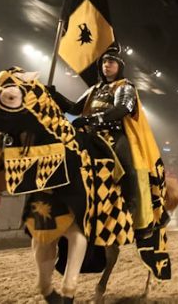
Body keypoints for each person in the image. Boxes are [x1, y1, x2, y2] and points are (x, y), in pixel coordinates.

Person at [49, 47, 145, 222]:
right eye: (104, 62)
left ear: (120, 66)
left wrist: (91, 119)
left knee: (128, 166)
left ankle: (131, 203)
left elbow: (122, 109)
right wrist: (55, 96)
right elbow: (74, 108)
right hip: (90, 134)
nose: (106, 65)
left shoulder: (125, 87)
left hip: (114, 134)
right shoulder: (94, 89)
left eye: (111, 62)